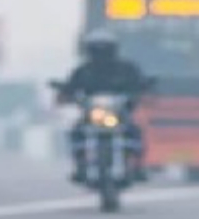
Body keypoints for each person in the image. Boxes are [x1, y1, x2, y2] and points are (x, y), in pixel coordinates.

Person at [58, 30, 150, 183]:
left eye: (105, 50)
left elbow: (140, 84)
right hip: (92, 113)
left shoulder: (127, 68)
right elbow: (70, 88)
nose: (101, 55)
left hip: (119, 113)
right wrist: (66, 94)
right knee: (76, 133)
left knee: (135, 132)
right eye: (97, 50)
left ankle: (137, 167)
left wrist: (141, 91)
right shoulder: (83, 70)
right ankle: (80, 167)